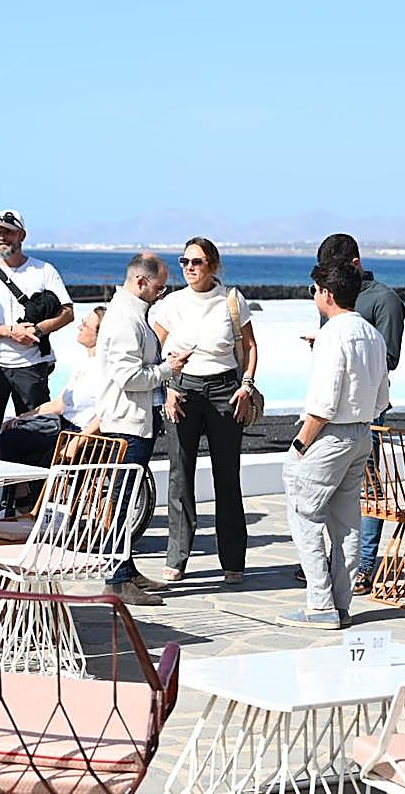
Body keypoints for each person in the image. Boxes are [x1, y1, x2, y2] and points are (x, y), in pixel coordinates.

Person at [279, 261, 389, 630]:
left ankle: (320, 604)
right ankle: (341, 604)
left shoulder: (332, 335)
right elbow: (381, 399)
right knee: (347, 524)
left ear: (326, 293)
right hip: (362, 434)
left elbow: (323, 403)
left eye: (315, 290)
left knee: (305, 517)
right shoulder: (373, 335)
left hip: (330, 436)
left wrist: (300, 444)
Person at [154, 237, 257, 584]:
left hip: (225, 391)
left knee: (226, 476)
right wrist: (166, 388)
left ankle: (233, 560)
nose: (189, 268)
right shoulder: (172, 303)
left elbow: (251, 346)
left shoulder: (231, 298)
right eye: (184, 262)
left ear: (212, 264)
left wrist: (246, 386)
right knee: (179, 476)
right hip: (182, 390)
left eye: (196, 262)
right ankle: (177, 558)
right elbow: (155, 350)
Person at [96, 254, 190, 606]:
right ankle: (117, 579)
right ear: (140, 282)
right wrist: (168, 369)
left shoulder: (133, 314)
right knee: (122, 504)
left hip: (135, 420)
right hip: (126, 423)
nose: (161, 294)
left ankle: (126, 569)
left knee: (127, 499)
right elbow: (128, 376)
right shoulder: (124, 320)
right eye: (159, 287)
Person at [315, 232, 405, 596]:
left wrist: (351, 355)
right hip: (331, 410)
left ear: (355, 263)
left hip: (367, 412)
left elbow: (389, 359)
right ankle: (331, 562)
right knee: (330, 488)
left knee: (367, 490)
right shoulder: (331, 295)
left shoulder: (384, 300)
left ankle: (364, 566)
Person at [0, 209, 75, 467]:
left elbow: (67, 313)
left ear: (22, 235)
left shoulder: (44, 271)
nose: (2, 237)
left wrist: (37, 331)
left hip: (31, 368)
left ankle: (27, 501)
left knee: (34, 436)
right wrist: (10, 332)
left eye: (8, 232)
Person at [0, 306, 107, 512]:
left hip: (80, 435)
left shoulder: (107, 369)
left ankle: (25, 500)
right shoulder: (84, 365)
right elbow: (59, 404)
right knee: (5, 435)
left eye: (86, 324)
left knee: (10, 442)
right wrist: (21, 418)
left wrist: (77, 442)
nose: (80, 326)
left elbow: (106, 414)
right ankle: (23, 496)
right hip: (61, 427)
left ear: (100, 334)